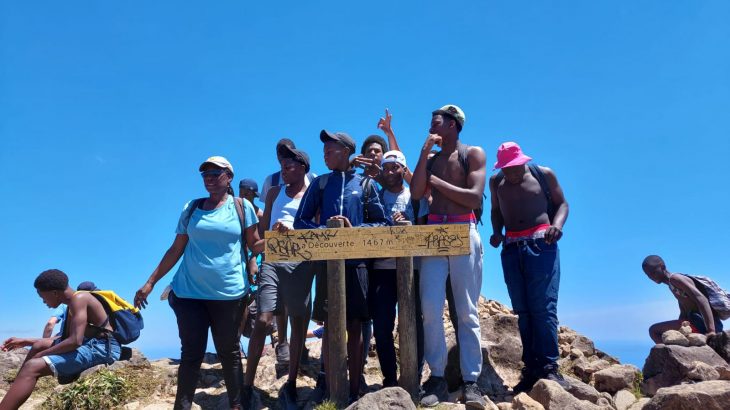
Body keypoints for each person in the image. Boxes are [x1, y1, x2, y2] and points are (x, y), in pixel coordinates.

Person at [134, 156, 263, 410]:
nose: (209, 178)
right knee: (191, 353)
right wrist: (150, 282)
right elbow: (176, 248)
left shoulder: (242, 207)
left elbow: (255, 244)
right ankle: (182, 407)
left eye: (216, 173)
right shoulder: (191, 207)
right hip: (189, 293)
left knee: (229, 352)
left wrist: (277, 238)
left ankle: (237, 405)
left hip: (229, 295)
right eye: (205, 174)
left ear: (229, 177)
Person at [294, 130, 390, 403]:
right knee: (330, 323)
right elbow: (300, 221)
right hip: (327, 264)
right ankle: (327, 384)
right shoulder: (321, 183)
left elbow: (382, 223)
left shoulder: (366, 184)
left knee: (356, 324)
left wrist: (354, 230)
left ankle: (354, 389)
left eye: (330, 150)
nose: (325, 155)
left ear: (346, 151)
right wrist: (327, 230)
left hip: (358, 264)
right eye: (324, 151)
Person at [410, 104, 487, 408]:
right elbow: (416, 192)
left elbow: (474, 198)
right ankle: (438, 378)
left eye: (436, 123)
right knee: (430, 309)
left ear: (453, 124)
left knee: (466, 310)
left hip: (463, 229)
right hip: (433, 234)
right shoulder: (430, 159)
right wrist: (423, 155)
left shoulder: (472, 154)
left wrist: (437, 182)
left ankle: (471, 381)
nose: (431, 128)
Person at [489, 142, 570, 393]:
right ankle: (531, 368)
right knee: (523, 311)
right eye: (506, 169)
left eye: (515, 168)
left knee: (543, 308)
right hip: (512, 248)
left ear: (523, 161)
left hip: (541, 244)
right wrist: (496, 232)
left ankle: (549, 367)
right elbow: (496, 211)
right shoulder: (496, 182)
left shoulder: (543, 175)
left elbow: (562, 204)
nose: (512, 173)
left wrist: (557, 226)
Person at [242, 146, 313, 410]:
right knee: (263, 320)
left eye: (289, 167)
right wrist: (255, 255)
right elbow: (261, 232)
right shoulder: (273, 193)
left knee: (298, 320)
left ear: (303, 168)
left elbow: (317, 226)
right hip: (272, 258)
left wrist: (292, 230)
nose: (284, 171)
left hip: (300, 262)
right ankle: (247, 386)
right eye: (282, 167)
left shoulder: (312, 193)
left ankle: (291, 383)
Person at [0, 270, 120, 410]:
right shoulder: (73, 303)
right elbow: (65, 338)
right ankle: (13, 396)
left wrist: (42, 355)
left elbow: (75, 341)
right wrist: (25, 341)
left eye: (43, 297)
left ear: (55, 293)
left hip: (102, 349)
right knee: (39, 345)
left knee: (32, 366)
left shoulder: (80, 298)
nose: (43, 301)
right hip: (91, 345)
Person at [369, 150, 428, 387]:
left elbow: (423, 230)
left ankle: (414, 377)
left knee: (413, 323)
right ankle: (390, 379)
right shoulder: (375, 196)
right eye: (386, 167)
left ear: (404, 170)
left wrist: (408, 224)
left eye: (395, 167)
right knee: (382, 325)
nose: (390, 172)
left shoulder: (416, 197)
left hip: (412, 269)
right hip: (381, 268)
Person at [642, 255, 725, 343]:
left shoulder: (675, 279)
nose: (651, 277)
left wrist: (711, 331)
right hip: (696, 323)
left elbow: (702, 299)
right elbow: (684, 311)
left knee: (653, 330)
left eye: (653, 272)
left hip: (700, 324)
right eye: (648, 275)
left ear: (663, 267)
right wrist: (680, 331)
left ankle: (671, 351)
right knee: (669, 335)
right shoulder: (672, 285)